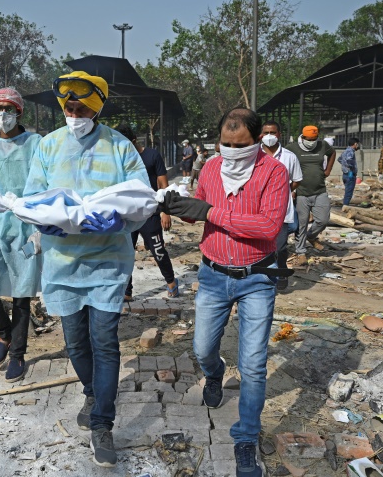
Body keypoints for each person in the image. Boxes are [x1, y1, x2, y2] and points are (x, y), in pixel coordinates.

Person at [24, 71, 150, 468]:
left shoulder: (120, 147)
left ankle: (102, 423)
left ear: (96, 105)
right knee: (76, 342)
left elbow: (143, 198)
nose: (71, 111)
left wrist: (121, 222)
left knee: (104, 341)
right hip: (62, 264)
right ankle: (92, 391)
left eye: (79, 106)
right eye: (67, 105)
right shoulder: (47, 146)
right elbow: (31, 196)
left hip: (109, 262)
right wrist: (39, 220)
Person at [165, 108, 289, 477]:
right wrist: (178, 205)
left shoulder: (274, 172)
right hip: (214, 274)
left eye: (241, 145)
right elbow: (198, 209)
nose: (232, 150)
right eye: (226, 144)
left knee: (252, 364)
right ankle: (215, 372)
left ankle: (246, 439)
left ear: (256, 141)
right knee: (203, 348)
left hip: (257, 277)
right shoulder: (210, 169)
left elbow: (268, 227)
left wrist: (210, 212)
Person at [0, 87, 42, 382]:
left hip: (25, 226)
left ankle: (18, 355)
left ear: (19, 112)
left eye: (8, 109)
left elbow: (44, 180)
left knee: (21, 293)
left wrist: (40, 225)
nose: (3, 115)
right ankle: (5, 335)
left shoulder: (35, 144)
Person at [118, 125, 179, 302]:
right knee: (126, 253)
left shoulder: (152, 156)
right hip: (128, 214)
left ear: (134, 141)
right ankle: (127, 291)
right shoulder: (121, 160)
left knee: (158, 251)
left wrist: (165, 212)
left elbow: (163, 185)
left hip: (150, 213)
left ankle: (171, 282)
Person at [285, 125, 336, 266]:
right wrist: (291, 188)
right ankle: (301, 252)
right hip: (301, 192)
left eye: (314, 138)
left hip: (320, 190)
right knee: (302, 224)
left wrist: (328, 170)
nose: (312, 141)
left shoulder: (322, 145)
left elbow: (332, 153)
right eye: (309, 139)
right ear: (303, 137)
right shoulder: (292, 148)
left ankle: (311, 236)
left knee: (323, 220)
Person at [260, 121, 302, 291]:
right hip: (258, 209)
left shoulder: (289, 157)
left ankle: (282, 271)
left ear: (279, 134)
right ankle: (264, 277)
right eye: (266, 132)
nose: (269, 136)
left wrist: (282, 192)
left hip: (281, 209)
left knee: (280, 246)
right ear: (260, 135)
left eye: (273, 132)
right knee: (261, 246)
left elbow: (297, 180)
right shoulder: (254, 155)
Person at [338, 138, 360, 206]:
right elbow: (349, 160)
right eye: (358, 144)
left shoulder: (345, 151)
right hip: (350, 174)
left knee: (347, 191)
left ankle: (345, 205)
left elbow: (339, 159)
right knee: (348, 193)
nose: (358, 146)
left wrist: (344, 166)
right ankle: (345, 207)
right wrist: (351, 167)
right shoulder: (350, 151)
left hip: (345, 174)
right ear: (355, 144)